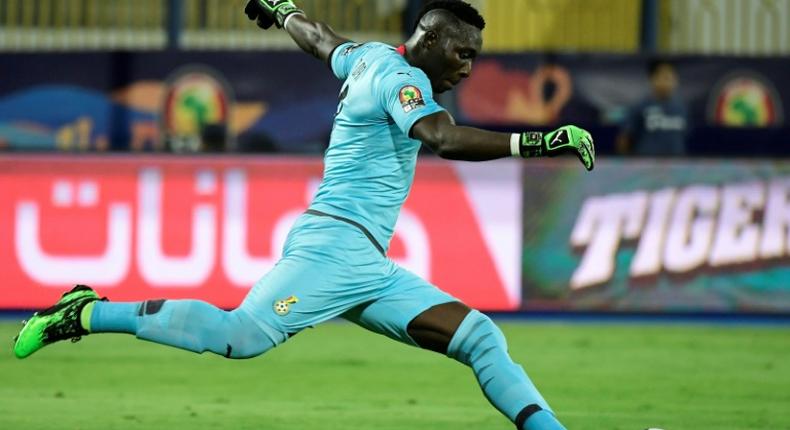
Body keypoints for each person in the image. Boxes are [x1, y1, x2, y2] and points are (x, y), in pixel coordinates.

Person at [13, 1, 594, 429]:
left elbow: (322, 41)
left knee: (480, 338)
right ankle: (85, 313)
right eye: (463, 53)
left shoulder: (368, 58)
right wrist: (538, 144)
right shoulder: (402, 80)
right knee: (238, 335)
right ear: (432, 39)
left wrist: (282, 10)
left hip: (365, 261)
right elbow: (440, 138)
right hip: (332, 249)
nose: (468, 68)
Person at [616, 59, 688, 156]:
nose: (668, 82)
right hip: (646, 165)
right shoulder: (640, 106)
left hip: (676, 165)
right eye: (665, 77)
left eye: (672, 78)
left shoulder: (681, 108)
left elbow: (685, 136)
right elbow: (625, 138)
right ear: (653, 79)